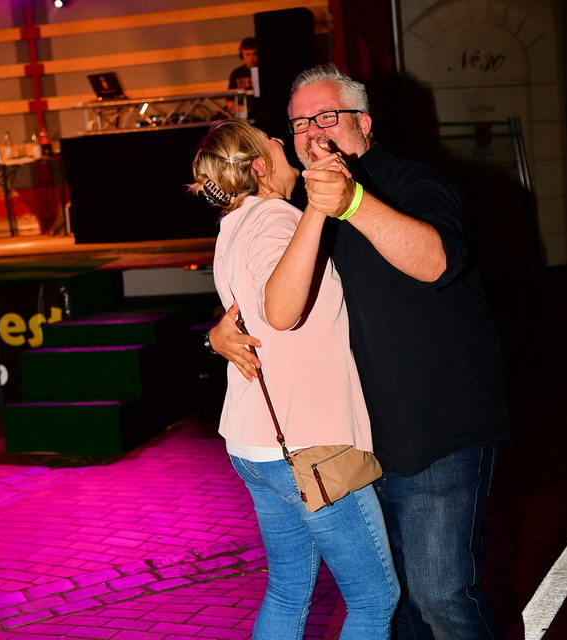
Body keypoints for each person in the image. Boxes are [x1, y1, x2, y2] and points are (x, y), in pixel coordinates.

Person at [209, 65, 513, 640]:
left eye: (326, 116)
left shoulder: (411, 182)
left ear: (364, 124)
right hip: (357, 435)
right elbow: (268, 298)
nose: (311, 131)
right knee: (394, 605)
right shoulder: (300, 212)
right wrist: (217, 334)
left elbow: (436, 262)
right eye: (299, 123)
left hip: (434, 428)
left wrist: (352, 202)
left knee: (439, 596)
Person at [191, 118, 399, 640]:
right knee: (374, 600)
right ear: (261, 166)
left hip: (255, 444)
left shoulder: (234, 224)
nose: (285, 144)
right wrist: (316, 210)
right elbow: (280, 313)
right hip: (307, 445)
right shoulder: (275, 219)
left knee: (287, 589)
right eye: (275, 143)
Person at [227, 37, 258, 116]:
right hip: (243, 115)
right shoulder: (236, 74)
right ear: (242, 55)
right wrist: (243, 109)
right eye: (248, 55)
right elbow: (230, 101)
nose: (252, 58)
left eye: (255, 54)